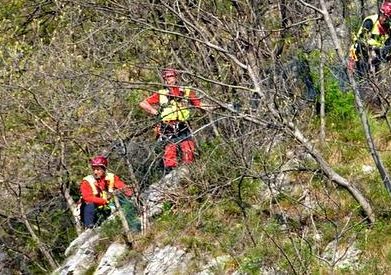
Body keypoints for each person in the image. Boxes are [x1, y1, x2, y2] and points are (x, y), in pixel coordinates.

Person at [139, 68, 203, 173]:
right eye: (167, 77)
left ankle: (188, 170)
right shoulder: (161, 93)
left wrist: (216, 107)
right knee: (170, 151)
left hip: (183, 124)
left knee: (188, 147)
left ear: (176, 77)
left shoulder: (186, 91)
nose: (169, 79)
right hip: (168, 125)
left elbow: (199, 104)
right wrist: (154, 112)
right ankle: (171, 173)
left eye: (171, 76)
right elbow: (143, 103)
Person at [79, 155, 133, 228]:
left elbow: (122, 187)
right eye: (94, 169)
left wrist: (130, 194)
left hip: (108, 207)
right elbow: (87, 198)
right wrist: (104, 201)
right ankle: (89, 227)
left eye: (98, 169)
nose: (95, 172)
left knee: (122, 199)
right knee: (89, 204)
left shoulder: (111, 177)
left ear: (104, 169)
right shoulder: (87, 181)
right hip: (93, 210)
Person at [348, 2, 391, 77]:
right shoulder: (370, 21)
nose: (384, 20)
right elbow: (360, 40)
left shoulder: (388, 27)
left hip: (376, 58)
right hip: (360, 53)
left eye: (387, 18)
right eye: (383, 16)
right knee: (362, 77)